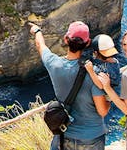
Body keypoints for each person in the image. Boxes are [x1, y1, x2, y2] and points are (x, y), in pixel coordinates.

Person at [29, 21, 110, 150]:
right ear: (88, 43)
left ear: (66, 39)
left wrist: (37, 31)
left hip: (63, 135)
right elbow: (103, 111)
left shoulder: (54, 64)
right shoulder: (94, 73)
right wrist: (109, 98)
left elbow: (40, 45)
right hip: (91, 138)